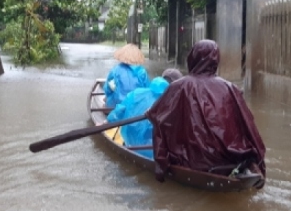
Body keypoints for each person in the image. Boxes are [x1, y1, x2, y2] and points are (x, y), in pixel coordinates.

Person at [145, 40, 267, 187]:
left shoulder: (179, 86)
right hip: (230, 159)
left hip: (192, 162)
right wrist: (258, 161)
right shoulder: (230, 88)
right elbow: (249, 127)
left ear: (192, 57)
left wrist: (161, 164)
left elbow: (159, 122)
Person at [106, 67, 183, 148]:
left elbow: (119, 111)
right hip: (154, 151)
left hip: (129, 142)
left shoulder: (136, 93)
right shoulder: (175, 104)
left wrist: (107, 121)